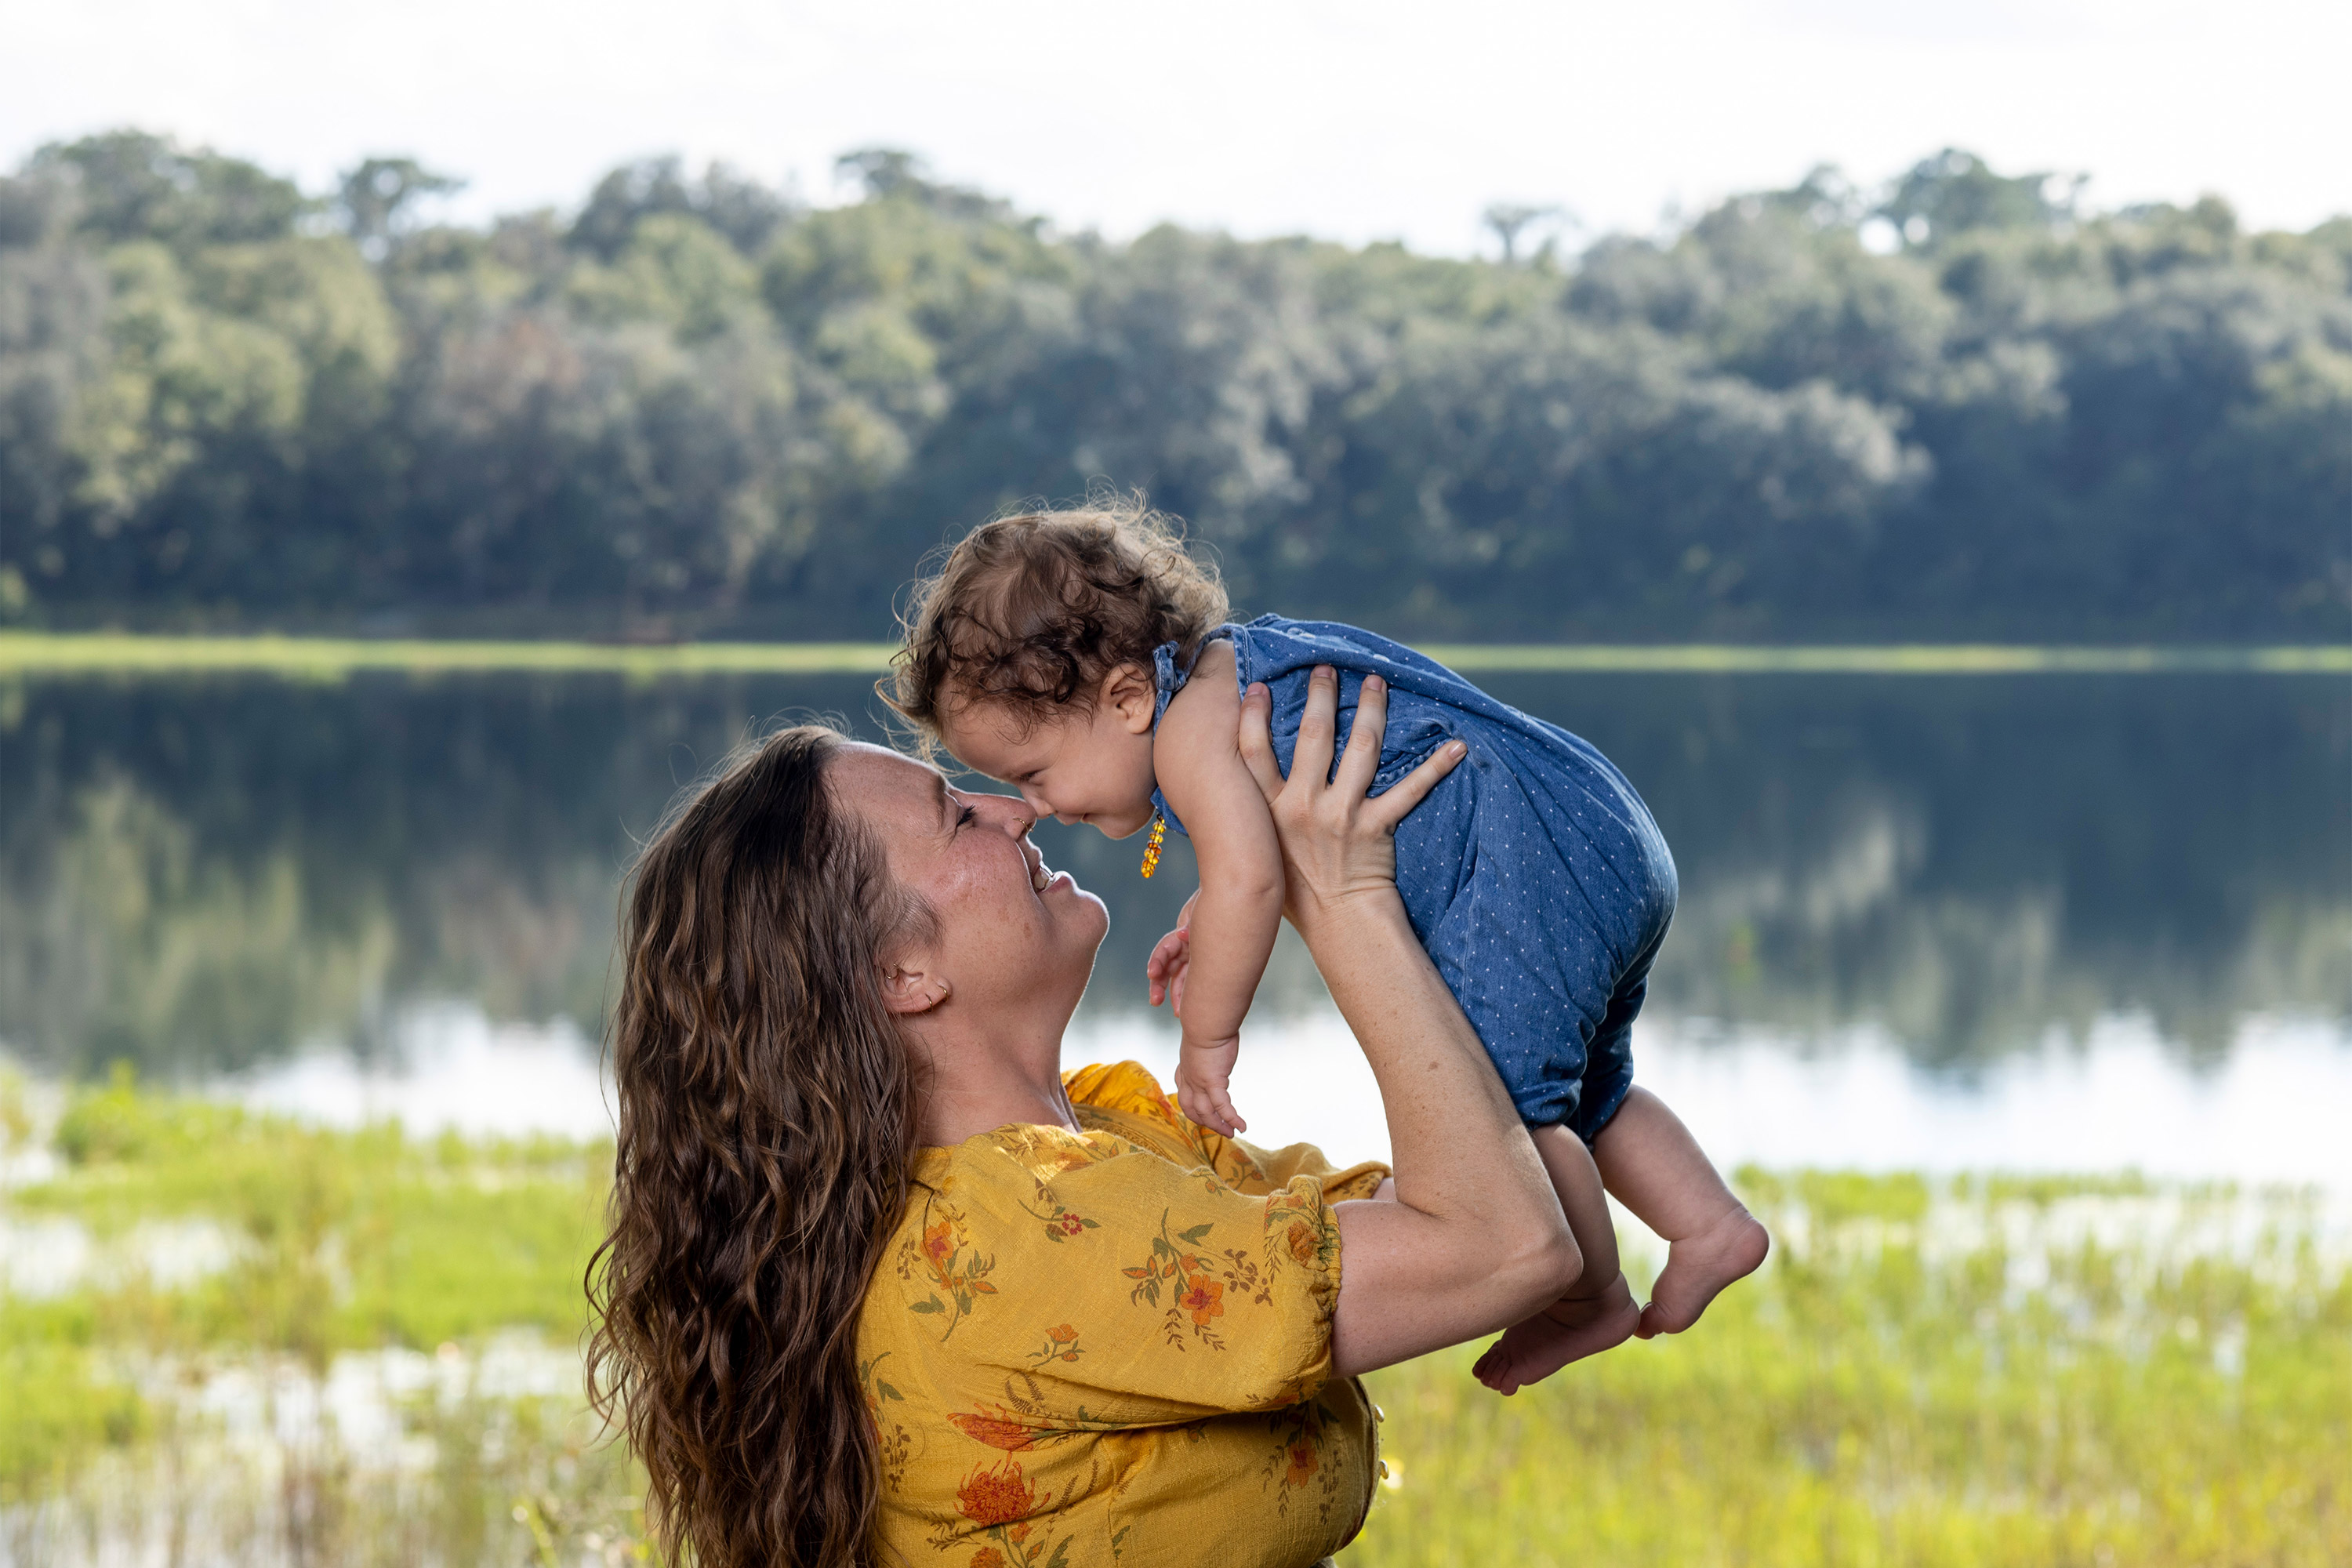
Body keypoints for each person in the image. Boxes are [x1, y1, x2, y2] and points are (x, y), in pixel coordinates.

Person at [586, 669, 1583, 1568]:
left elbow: (1463, 1205)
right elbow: (1504, 1245)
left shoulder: (1101, 1136)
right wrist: (1344, 895)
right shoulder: (1013, 1236)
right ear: (900, 971)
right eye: (955, 817)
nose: (1014, 808)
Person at [887, 499, 1769, 1395]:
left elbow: (1252, 883)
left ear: (1126, 699)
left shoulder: (1189, 735)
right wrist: (1208, 917)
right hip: (1595, 831)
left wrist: (1207, 1039)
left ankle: (1592, 1298)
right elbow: (1252, 862)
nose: (1035, 807)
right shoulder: (1236, 670)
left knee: (1506, 1111)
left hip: (1520, 862)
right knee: (1590, 1085)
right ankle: (1708, 1222)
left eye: (1033, 774)